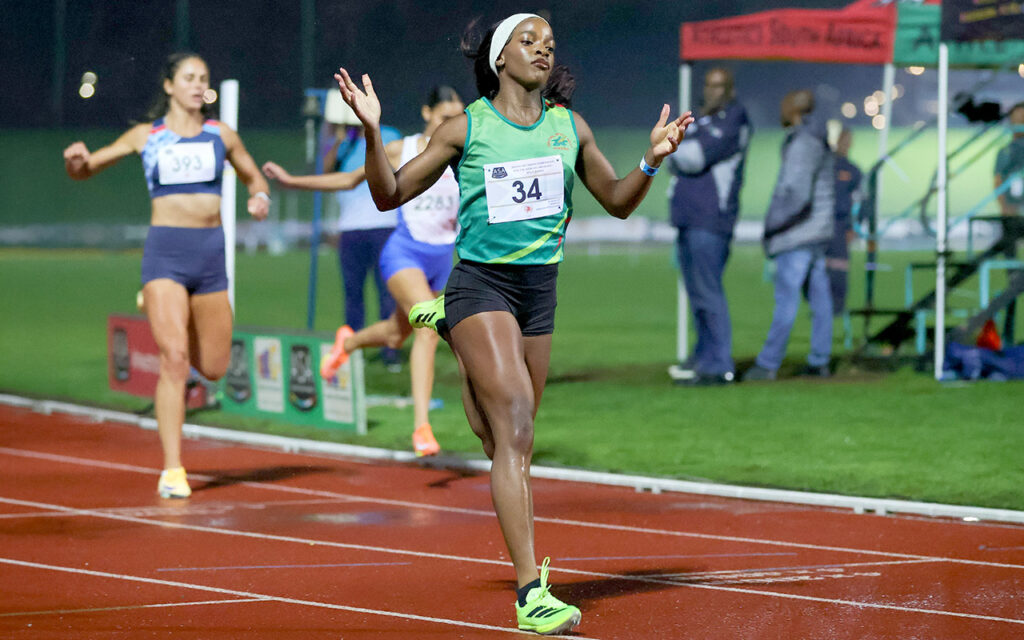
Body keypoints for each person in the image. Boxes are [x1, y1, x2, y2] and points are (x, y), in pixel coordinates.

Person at [333, 13, 692, 635]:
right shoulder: (464, 127)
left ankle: (451, 330)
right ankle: (531, 594)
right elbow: (387, 194)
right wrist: (370, 131)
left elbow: (617, 201)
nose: (543, 50)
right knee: (518, 424)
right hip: (482, 284)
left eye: (550, 44)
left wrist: (651, 160)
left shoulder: (569, 127)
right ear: (501, 57)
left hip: (539, 295)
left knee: (499, 439)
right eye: (529, 41)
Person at [62, 52, 270, 498]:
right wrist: (76, 162)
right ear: (169, 86)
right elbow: (86, 169)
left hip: (210, 259)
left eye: (203, 78)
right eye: (189, 78)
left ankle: (170, 310)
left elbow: (254, 177)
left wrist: (259, 197)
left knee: (213, 367)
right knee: (174, 358)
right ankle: (173, 469)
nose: (198, 85)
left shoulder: (220, 135)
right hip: (165, 257)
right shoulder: (147, 136)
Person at [261, 86, 465, 457]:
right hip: (404, 255)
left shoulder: (464, 153)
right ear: (426, 113)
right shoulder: (403, 149)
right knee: (429, 328)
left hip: (442, 260)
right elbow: (350, 179)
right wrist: (292, 182)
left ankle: (348, 344)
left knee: (395, 334)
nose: (452, 124)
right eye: (444, 116)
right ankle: (422, 427)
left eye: (457, 117)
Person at [664, 67, 751, 385]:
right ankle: (703, 357)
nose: (712, 91)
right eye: (709, 85)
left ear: (730, 90)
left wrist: (670, 149)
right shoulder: (702, 120)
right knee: (697, 294)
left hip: (711, 220)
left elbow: (695, 157)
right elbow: (676, 151)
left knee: (708, 292)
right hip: (689, 219)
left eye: (719, 86)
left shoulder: (735, 119)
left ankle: (718, 365)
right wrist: (673, 149)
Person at [742, 89, 834, 381]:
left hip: (797, 234)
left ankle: (768, 364)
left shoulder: (803, 143)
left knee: (787, 301)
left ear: (794, 109)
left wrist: (772, 226)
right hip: (817, 231)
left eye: (784, 105)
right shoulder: (816, 138)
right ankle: (820, 360)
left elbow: (795, 193)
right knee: (820, 302)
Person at [323, 92, 404, 368]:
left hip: (385, 226)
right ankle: (350, 349)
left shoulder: (389, 134)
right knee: (352, 294)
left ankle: (390, 352)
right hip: (350, 229)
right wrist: (338, 139)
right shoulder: (342, 142)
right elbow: (326, 171)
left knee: (388, 292)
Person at [993, 102, 1024, 343]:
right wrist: (1006, 208)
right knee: (1013, 279)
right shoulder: (1006, 151)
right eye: (1017, 118)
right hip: (1013, 219)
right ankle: (1008, 336)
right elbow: (998, 180)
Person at [825, 122, 862, 317]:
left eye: (848, 141)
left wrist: (853, 227)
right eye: (843, 140)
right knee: (821, 267)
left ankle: (837, 307)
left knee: (839, 267)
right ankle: (821, 305)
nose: (845, 144)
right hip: (822, 224)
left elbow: (861, 201)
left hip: (841, 225)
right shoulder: (826, 167)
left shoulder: (853, 171)